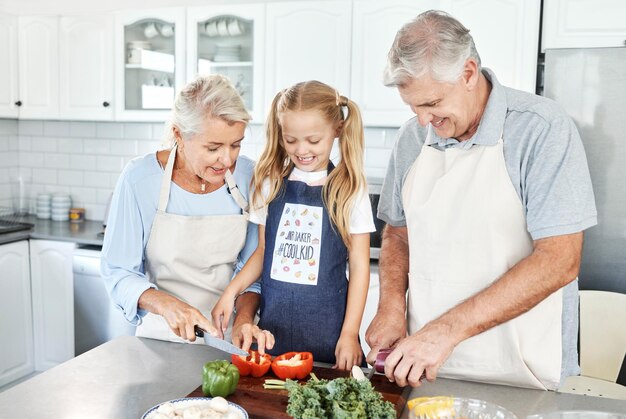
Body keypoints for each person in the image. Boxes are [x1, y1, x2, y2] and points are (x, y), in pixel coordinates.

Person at [365, 10, 597, 390]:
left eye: (433, 103)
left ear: (469, 73)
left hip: (522, 369)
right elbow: (398, 231)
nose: (423, 121)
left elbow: (560, 259)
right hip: (425, 366)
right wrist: (391, 305)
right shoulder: (411, 139)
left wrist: (444, 332)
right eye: (414, 108)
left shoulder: (540, 129)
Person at [101, 74, 273, 350]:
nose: (227, 159)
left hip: (228, 339)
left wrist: (243, 319)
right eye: (213, 147)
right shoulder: (139, 179)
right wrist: (167, 305)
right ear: (180, 135)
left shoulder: (249, 177)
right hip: (161, 338)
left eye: (236, 144)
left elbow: (253, 273)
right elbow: (118, 271)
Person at [211, 80, 375, 369]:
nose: (302, 150)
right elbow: (262, 252)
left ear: (337, 129)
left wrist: (350, 333)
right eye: (291, 140)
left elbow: (360, 267)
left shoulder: (350, 188)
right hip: (272, 339)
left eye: (313, 141)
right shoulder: (268, 182)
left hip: (331, 338)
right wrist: (230, 292)